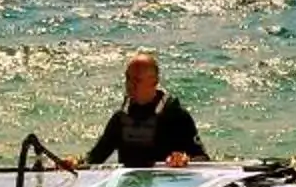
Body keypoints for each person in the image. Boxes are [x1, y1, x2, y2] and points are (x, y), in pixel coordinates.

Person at [69, 54, 208, 169]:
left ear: (154, 81)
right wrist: (75, 163)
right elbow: (95, 157)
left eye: (137, 80)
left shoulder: (176, 117)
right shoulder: (120, 119)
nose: (130, 85)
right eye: (128, 79)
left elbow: (203, 159)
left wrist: (185, 159)